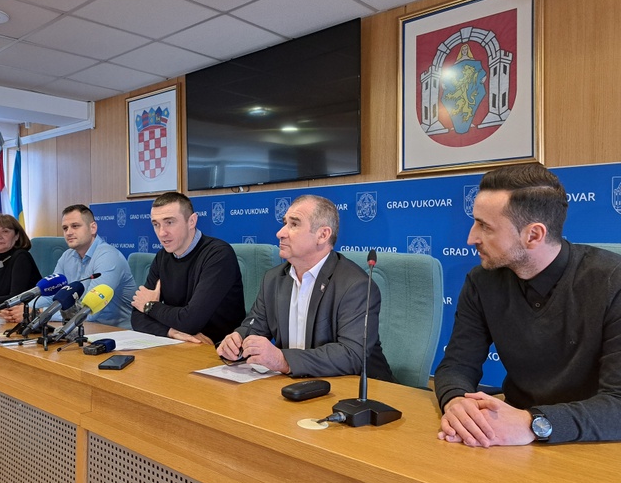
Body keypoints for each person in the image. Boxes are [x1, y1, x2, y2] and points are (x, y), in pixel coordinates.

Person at [435, 163, 621, 446]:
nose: (471, 238)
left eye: (485, 226)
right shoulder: (481, 281)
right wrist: (457, 402)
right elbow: (457, 365)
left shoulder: (613, 282)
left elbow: (617, 405)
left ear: (533, 235)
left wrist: (532, 423)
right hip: (508, 437)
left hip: (593, 444)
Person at [217, 195, 394, 379]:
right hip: (297, 385)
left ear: (323, 235)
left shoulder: (355, 285)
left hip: (360, 388)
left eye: (294, 224)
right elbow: (255, 326)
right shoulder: (273, 279)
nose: (280, 233)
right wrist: (237, 340)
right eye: (285, 223)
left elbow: (352, 355)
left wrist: (283, 360)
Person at [131, 192, 245, 344]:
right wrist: (171, 332)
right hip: (180, 343)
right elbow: (137, 317)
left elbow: (191, 320)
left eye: (169, 222)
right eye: (156, 224)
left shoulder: (218, 255)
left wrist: (150, 306)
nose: (162, 233)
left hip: (217, 348)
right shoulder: (162, 257)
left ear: (192, 221)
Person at [0, 204, 136, 328]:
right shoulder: (67, 256)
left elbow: (89, 312)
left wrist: (37, 313)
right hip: (79, 328)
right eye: (65, 228)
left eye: (75, 226)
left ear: (93, 228)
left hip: (114, 332)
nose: (69, 232)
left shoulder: (108, 257)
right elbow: (52, 295)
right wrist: (22, 309)